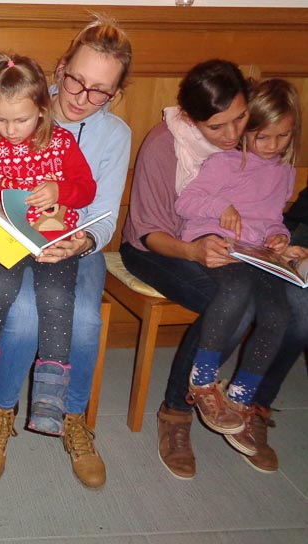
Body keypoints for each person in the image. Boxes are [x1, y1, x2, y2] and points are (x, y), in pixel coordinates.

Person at [0, 16, 132, 487]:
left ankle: (71, 416)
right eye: (76, 80)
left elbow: (102, 210)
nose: (82, 97)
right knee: (21, 313)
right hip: (5, 237)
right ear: (60, 69)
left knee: (86, 318)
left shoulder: (111, 136)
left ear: (115, 93)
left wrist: (82, 239)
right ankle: (1, 410)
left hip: (75, 240)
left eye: (100, 91)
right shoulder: (16, 103)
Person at [121, 59, 308, 479]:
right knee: (234, 303)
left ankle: (251, 403)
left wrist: (278, 241)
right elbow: (150, 231)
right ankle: (176, 411)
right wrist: (193, 251)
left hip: (235, 250)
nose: (231, 135)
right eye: (216, 127)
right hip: (159, 246)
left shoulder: (257, 149)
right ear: (191, 118)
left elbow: (266, 210)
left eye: (240, 119)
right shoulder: (164, 145)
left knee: (298, 305)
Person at [175, 78, 300, 455]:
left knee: (279, 315)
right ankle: (202, 377)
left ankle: (242, 394)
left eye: (283, 136)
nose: (273, 145)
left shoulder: (284, 171)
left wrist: (279, 237)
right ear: (247, 130)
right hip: (218, 243)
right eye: (263, 137)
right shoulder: (225, 163)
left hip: (258, 253)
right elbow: (186, 203)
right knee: (236, 289)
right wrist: (221, 207)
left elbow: (272, 218)